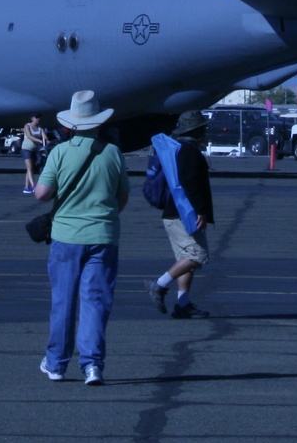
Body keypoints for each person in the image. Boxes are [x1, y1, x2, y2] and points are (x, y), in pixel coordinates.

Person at [31, 90, 129, 385]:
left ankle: (57, 363)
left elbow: (42, 194)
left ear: (70, 124)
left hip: (66, 235)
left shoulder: (60, 152)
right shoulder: (112, 153)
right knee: (95, 301)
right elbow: (121, 198)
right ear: (98, 122)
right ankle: (92, 365)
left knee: (63, 301)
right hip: (103, 234)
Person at [146, 115, 214, 319]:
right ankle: (158, 285)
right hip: (183, 214)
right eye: (203, 128)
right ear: (196, 131)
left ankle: (183, 304)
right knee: (196, 256)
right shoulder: (189, 152)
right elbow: (189, 182)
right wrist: (200, 210)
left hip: (174, 213)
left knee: (185, 259)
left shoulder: (180, 149)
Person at [20, 115, 48, 193]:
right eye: (36, 117)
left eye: (39, 118)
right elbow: (29, 136)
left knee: (31, 168)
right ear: (32, 118)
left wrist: (47, 142)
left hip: (34, 150)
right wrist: (39, 141)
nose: (38, 119)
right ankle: (33, 186)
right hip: (26, 149)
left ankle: (26, 187)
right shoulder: (27, 126)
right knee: (29, 167)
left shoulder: (40, 128)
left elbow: (44, 138)